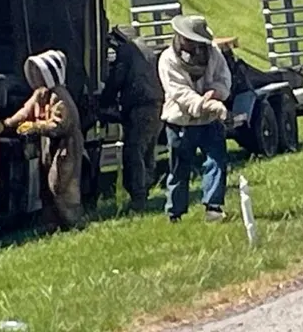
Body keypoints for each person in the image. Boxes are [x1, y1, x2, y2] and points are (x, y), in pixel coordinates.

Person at [157, 14, 232, 223]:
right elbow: (179, 92)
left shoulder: (213, 53)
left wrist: (217, 92)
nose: (195, 45)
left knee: (217, 162)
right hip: (180, 122)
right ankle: (175, 213)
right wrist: (206, 104)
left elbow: (224, 78)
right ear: (182, 37)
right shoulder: (168, 59)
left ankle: (213, 208)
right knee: (179, 169)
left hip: (210, 122)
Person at [1, 50, 85, 231]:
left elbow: (59, 126)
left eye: (38, 72)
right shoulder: (40, 94)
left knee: (62, 185)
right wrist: (5, 124)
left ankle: (74, 223)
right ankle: (53, 225)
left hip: (67, 147)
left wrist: (34, 126)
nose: (35, 76)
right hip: (49, 146)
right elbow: (25, 111)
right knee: (47, 186)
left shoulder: (59, 97)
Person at [98, 26, 164, 213]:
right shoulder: (147, 48)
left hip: (140, 107)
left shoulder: (127, 51)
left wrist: (104, 101)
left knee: (133, 152)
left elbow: (117, 79)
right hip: (157, 104)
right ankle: (145, 191)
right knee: (147, 151)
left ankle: (138, 198)